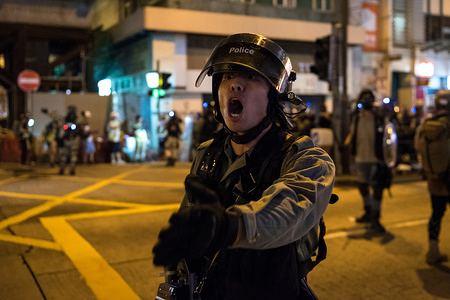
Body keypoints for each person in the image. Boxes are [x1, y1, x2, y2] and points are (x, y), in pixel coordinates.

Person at [152, 33, 336, 300]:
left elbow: (290, 208)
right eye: (226, 76)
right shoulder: (208, 153)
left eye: (251, 77)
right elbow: (191, 227)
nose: (235, 85)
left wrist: (230, 227)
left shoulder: (308, 159)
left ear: (274, 96)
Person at [344, 89, 390, 233]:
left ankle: (375, 218)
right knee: (362, 186)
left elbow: (388, 138)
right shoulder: (356, 118)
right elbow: (352, 134)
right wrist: (346, 147)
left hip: (376, 159)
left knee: (377, 188)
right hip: (360, 158)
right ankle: (368, 212)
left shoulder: (379, 118)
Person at [414, 90, 450, 265]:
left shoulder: (426, 124)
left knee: (436, 214)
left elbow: (417, 146)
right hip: (448, 177)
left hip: (434, 178)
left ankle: (433, 251)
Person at [59, 105, 81, 175]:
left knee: (65, 156)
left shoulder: (67, 120)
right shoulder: (75, 120)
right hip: (72, 140)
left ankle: (64, 170)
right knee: (71, 156)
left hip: (69, 140)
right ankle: (70, 170)